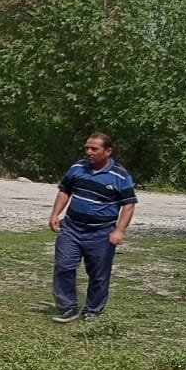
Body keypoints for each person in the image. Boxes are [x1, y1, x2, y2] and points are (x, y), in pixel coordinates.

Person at [49, 132, 137, 322]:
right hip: (71, 228)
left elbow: (128, 205)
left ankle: (92, 310)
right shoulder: (77, 168)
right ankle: (67, 307)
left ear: (108, 151)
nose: (89, 152)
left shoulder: (120, 176)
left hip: (101, 233)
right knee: (63, 266)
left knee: (98, 274)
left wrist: (119, 230)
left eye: (94, 149)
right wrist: (55, 214)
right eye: (86, 148)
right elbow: (65, 191)